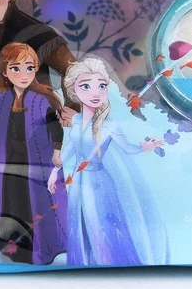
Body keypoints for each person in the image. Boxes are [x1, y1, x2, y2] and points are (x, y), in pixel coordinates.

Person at [57, 58, 167, 266]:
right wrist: (54, 170)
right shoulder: (77, 121)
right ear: (73, 91)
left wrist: (145, 147)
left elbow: (128, 148)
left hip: (99, 182)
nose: (95, 93)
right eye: (86, 86)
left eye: (101, 86)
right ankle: (85, 262)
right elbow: (70, 150)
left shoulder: (111, 125)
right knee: (80, 221)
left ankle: (107, 261)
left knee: (101, 221)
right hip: (78, 182)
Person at [0, 42, 67, 263]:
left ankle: (38, 249)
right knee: (11, 203)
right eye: (16, 68)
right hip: (8, 163)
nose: (24, 75)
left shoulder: (42, 101)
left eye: (30, 68)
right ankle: (12, 247)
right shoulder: (1, 100)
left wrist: (56, 152)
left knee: (35, 204)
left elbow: (56, 129)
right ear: (4, 71)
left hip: (37, 164)